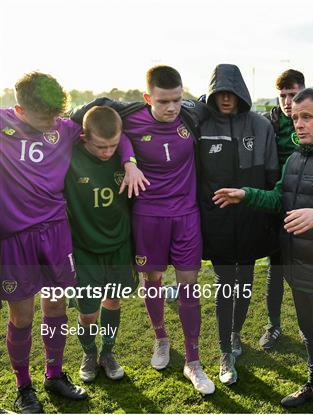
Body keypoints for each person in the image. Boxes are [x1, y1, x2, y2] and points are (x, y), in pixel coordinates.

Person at [213, 88, 313, 413]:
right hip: (297, 269)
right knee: (310, 335)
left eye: (307, 117)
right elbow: (279, 199)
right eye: (295, 117)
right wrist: (247, 194)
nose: (299, 124)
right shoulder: (296, 159)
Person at [0, 72, 143, 413]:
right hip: (14, 240)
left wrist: (129, 159)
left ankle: (54, 374)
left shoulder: (64, 128)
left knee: (56, 307)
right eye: (42, 117)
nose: (51, 123)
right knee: (21, 316)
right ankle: (24, 387)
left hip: (55, 234)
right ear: (20, 110)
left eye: (55, 115)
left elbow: (113, 129)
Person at [70, 65, 215, 395]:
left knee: (189, 288)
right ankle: (161, 339)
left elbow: (222, 100)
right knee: (152, 281)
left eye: (177, 100)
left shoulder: (191, 116)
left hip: (186, 216)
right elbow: (100, 125)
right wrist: (129, 160)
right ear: (148, 97)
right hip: (148, 217)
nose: (172, 108)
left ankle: (193, 361)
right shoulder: (131, 117)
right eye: (164, 101)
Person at [196, 63, 279, 385]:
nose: (226, 99)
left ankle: (234, 334)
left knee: (244, 282)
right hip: (215, 220)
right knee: (224, 284)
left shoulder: (260, 125)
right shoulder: (201, 125)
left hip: (250, 219)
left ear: (241, 93)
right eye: (220, 93)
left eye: (232, 93)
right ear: (213, 93)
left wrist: (269, 220)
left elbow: (271, 173)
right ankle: (224, 353)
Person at [64, 106, 138, 383]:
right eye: (100, 146)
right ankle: (88, 353)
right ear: (84, 137)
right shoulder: (69, 157)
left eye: (113, 145)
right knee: (88, 312)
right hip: (84, 249)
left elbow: (124, 145)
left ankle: (107, 352)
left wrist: (128, 159)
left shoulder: (124, 156)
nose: (107, 152)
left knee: (113, 301)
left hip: (119, 246)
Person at [258, 69, 305, 351]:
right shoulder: (269, 123)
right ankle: (273, 325)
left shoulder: (311, 118)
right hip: (277, 207)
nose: (288, 101)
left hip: (307, 208)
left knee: (303, 271)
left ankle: (304, 325)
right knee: (275, 270)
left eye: (293, 94)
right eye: (283, 95)